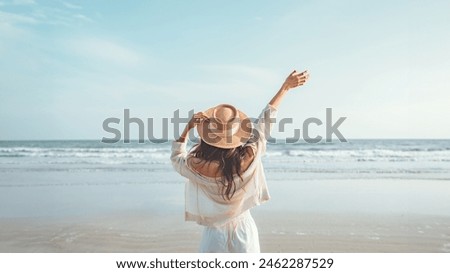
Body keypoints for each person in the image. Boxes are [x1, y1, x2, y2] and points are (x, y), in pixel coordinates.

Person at [170, 69, 310, 252]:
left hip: (213, 237)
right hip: (245, 233)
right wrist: (285, 88)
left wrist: (188, 127)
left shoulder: (196, 166)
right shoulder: (250, 156)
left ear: (206, 138)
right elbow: (265, 121)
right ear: (236, 135)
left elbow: (176, 157)